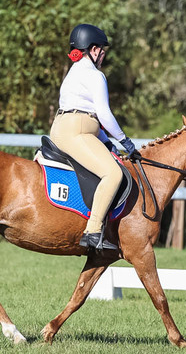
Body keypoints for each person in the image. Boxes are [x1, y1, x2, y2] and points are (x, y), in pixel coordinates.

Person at [50, 24, 141, 251]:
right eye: (101, 50)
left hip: (69, 126)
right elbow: (103, 115)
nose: (102, 55)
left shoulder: (74, 72)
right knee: (112, 173)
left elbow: (87, 114)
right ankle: (93, 231)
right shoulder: (95, 75)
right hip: (77, 130)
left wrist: (106, 141)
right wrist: (124, 140)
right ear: (92, 49)